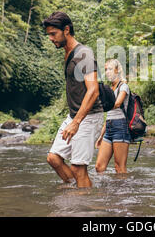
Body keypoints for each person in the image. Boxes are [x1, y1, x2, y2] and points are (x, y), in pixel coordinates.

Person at [43, 11, 104, 188]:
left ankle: (83, 206)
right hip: (74, 116)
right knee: (53, 158)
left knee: (78, 168)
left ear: (67, 30)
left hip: (88, 117)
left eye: (53, 34)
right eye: (49, 35)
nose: (51, 38)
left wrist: (76, 122)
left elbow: (93, 90)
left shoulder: (83, 54)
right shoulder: (68, 52)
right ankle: (77, 192)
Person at [95, 59, 131, 174]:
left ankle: (122, 191)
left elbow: (117, 104)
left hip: (121, 126)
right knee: (99, 167)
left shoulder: (123, 86)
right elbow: (109, 116)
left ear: (117, 70)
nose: (107, 72)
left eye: (110, 69)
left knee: (119, 168)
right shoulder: (109, 89)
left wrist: (98, 107)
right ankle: (105, 191)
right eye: (106, 70)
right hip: (109, 128)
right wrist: (101, 136)